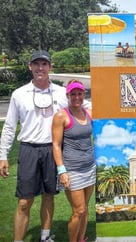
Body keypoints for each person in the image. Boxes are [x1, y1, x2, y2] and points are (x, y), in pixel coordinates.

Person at [0, 50, 91, 242]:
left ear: (50, 67)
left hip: (53, 149)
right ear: (30, 66)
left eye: (44, 64)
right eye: (36, 64)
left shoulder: (60, 92)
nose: (40, 68)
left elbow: (81, 104)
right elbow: (9, 126)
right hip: (29, 149)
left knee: (49, 196)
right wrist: (3, 155)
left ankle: (45, 236)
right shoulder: (19, 94)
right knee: (24, 201)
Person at [52, 80, 95, 242]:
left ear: (84, 95)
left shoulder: (89, 113)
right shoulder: (61, 116)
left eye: (79, 93)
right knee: (78, 210)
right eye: (73, 94)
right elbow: (56, 145)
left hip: (90, 167)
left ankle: (81, 239)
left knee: (85, 210)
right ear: (68, 96)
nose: (76, 97)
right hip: (72, 170)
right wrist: (62, 171)